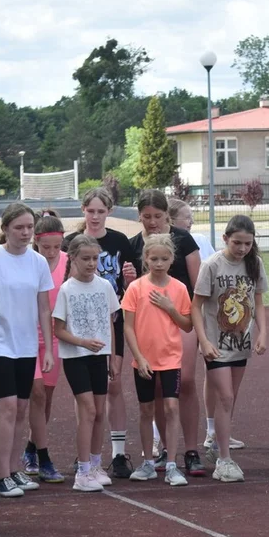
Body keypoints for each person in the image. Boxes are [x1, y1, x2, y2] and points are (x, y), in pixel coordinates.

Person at [0, 203, 55, 498]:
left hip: (26, 346)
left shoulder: (37, 262)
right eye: (18, 227)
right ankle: (2, 476)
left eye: (29, 227)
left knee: (22, 409)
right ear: (6, 229)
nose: (24, 232)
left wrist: (46, 349)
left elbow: (44, 308)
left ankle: (14, 469)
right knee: (7, 408)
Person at [128, 190, 204, 475]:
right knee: (157, 388)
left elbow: (198, 287)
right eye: (146, 217)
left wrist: (193, 321)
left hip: (180, 313)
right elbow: (134, 290)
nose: (152, 222)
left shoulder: (183, 239)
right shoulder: (135, 244)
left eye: (157, 216)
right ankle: (161, 453)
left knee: (184, 381)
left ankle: (192, 450)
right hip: (149, 322)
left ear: (167, 216)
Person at [63, 188, 136, 479]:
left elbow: (132, 284)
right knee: (85, 399)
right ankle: (84, 458)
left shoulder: (120, 242)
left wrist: (131, 280)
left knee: (114, 385)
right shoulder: (72, 243)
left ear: (110, 212)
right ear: (83, 210)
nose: (95, 216)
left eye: (100, 211)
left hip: (111, 322)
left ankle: (116, 455)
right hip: (81, 327)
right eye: (90, 211)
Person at [192, 216, 269, 482]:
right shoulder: (211, 265)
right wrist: (203, 340)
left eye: (248, 243)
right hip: (216, 343)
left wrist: (263, 332)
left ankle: (217, 445)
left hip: (241, 344)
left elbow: (258, 301)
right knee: (224, 398)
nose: (242, 248)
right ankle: (224, 460)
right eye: (237, 242)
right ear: (225, 239)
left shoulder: (254, 263)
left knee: (230, 400)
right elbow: (196, 305)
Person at [123, 234, 195, 485]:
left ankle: (173, 463)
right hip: (144, 361)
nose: (159, 263)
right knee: (146, 409)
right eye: (153, 258)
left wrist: (170, 307)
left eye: (164, 259)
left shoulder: (179, 289)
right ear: (145, 258)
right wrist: (139, 358)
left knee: (172, 407)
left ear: (172, 259)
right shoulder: (136, 288)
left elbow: (187, 325)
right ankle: (147, 463)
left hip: (171, 359)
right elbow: (128, 327)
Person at [53, 235, 119, 492]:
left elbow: (110, 324)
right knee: (88, 411)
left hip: (99, 357)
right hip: (76, 357)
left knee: (101, 412)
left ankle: (95, 464)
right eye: (86, 259)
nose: (92, 263)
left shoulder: (104, 286)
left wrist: (113, 357)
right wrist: (82, 342)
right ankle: (82, 472)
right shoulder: (67, 290)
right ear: (73, 259)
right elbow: (58, 329)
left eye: (95, 258)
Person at [20, 212, 67, 483]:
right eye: (45, 247)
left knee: (45, 400)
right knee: (36, 395)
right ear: (36, 243)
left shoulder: (69, 263)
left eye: (56, 247)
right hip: (27, 339)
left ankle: (31, 449)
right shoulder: (29, 263)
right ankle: (45, 458)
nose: (51, 252)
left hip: (54, 341)